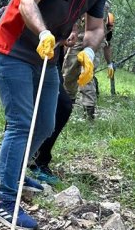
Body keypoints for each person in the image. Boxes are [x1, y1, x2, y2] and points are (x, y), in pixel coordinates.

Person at [0, 0, 124, 230]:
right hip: (13, 50)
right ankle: (4, 200)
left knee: (45, 123)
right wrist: (44, 32)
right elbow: (27, 1)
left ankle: (9, 172)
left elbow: (95, 27)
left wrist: (89, 53)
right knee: (21, 123)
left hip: (47, 58)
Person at [31, 12, 116, 184]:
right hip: (31, 55)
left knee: (64, 105)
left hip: (65, 56)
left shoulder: (105, 18)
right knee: (26, 111)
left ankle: (38, 159)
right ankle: (17, 164)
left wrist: (109, 62)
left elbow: (106, 42)